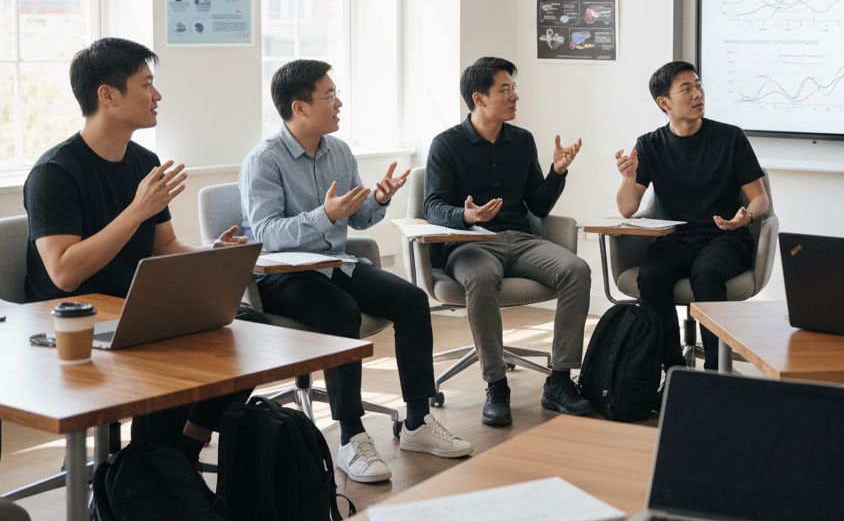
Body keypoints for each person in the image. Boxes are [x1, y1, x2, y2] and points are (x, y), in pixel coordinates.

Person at [239, 60, 472, 483]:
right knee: (340, 312)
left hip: (334, 264)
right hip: (281, 275)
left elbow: (358, 220)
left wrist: (378, 200)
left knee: (412, 300)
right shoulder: (264, 161)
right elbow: (267, 235)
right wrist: (323, 215)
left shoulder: (338, 151)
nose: (339, 103)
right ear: (300, 107)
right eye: (329, 96)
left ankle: (418, 421)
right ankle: (351, 436)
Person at [24, 37, 254, 465]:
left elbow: (164, 245)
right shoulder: (53, 173)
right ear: (107, 95)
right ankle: (150, 471)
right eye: (146, 84)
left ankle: (178, 453)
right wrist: (135, 211)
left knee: (246, 326)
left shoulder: (143, 161)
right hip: (71, 322)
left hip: (130, 307)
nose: (158, 95)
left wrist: (210, 254)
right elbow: (63, 273)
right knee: (170, 349)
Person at [423, 57, 593, 427]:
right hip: (470, 244)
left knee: (576, 270)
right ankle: (496, 384)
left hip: (519, 239)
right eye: (505, 89)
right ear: (479, 98)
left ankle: (560, 380)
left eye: (514, 88)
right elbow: (432, 205)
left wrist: (557, 172)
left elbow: (539, 204)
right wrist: (465, 216)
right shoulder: (446, 144)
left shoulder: (522, 140)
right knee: (481, 279)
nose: (515, 96)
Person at [616, 61, 770, 373]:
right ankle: (671, 369)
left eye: (698, 85)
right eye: (687, 88)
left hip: (724, 236)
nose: (698, 93)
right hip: (677, 238)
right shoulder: (649, 144)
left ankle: (715, 371)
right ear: (665, 102)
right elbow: (627, 209)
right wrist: (629, 177)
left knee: (706, 274)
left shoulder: (730, 138)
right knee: (651, 277)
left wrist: (746, 219)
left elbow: (759, 198)